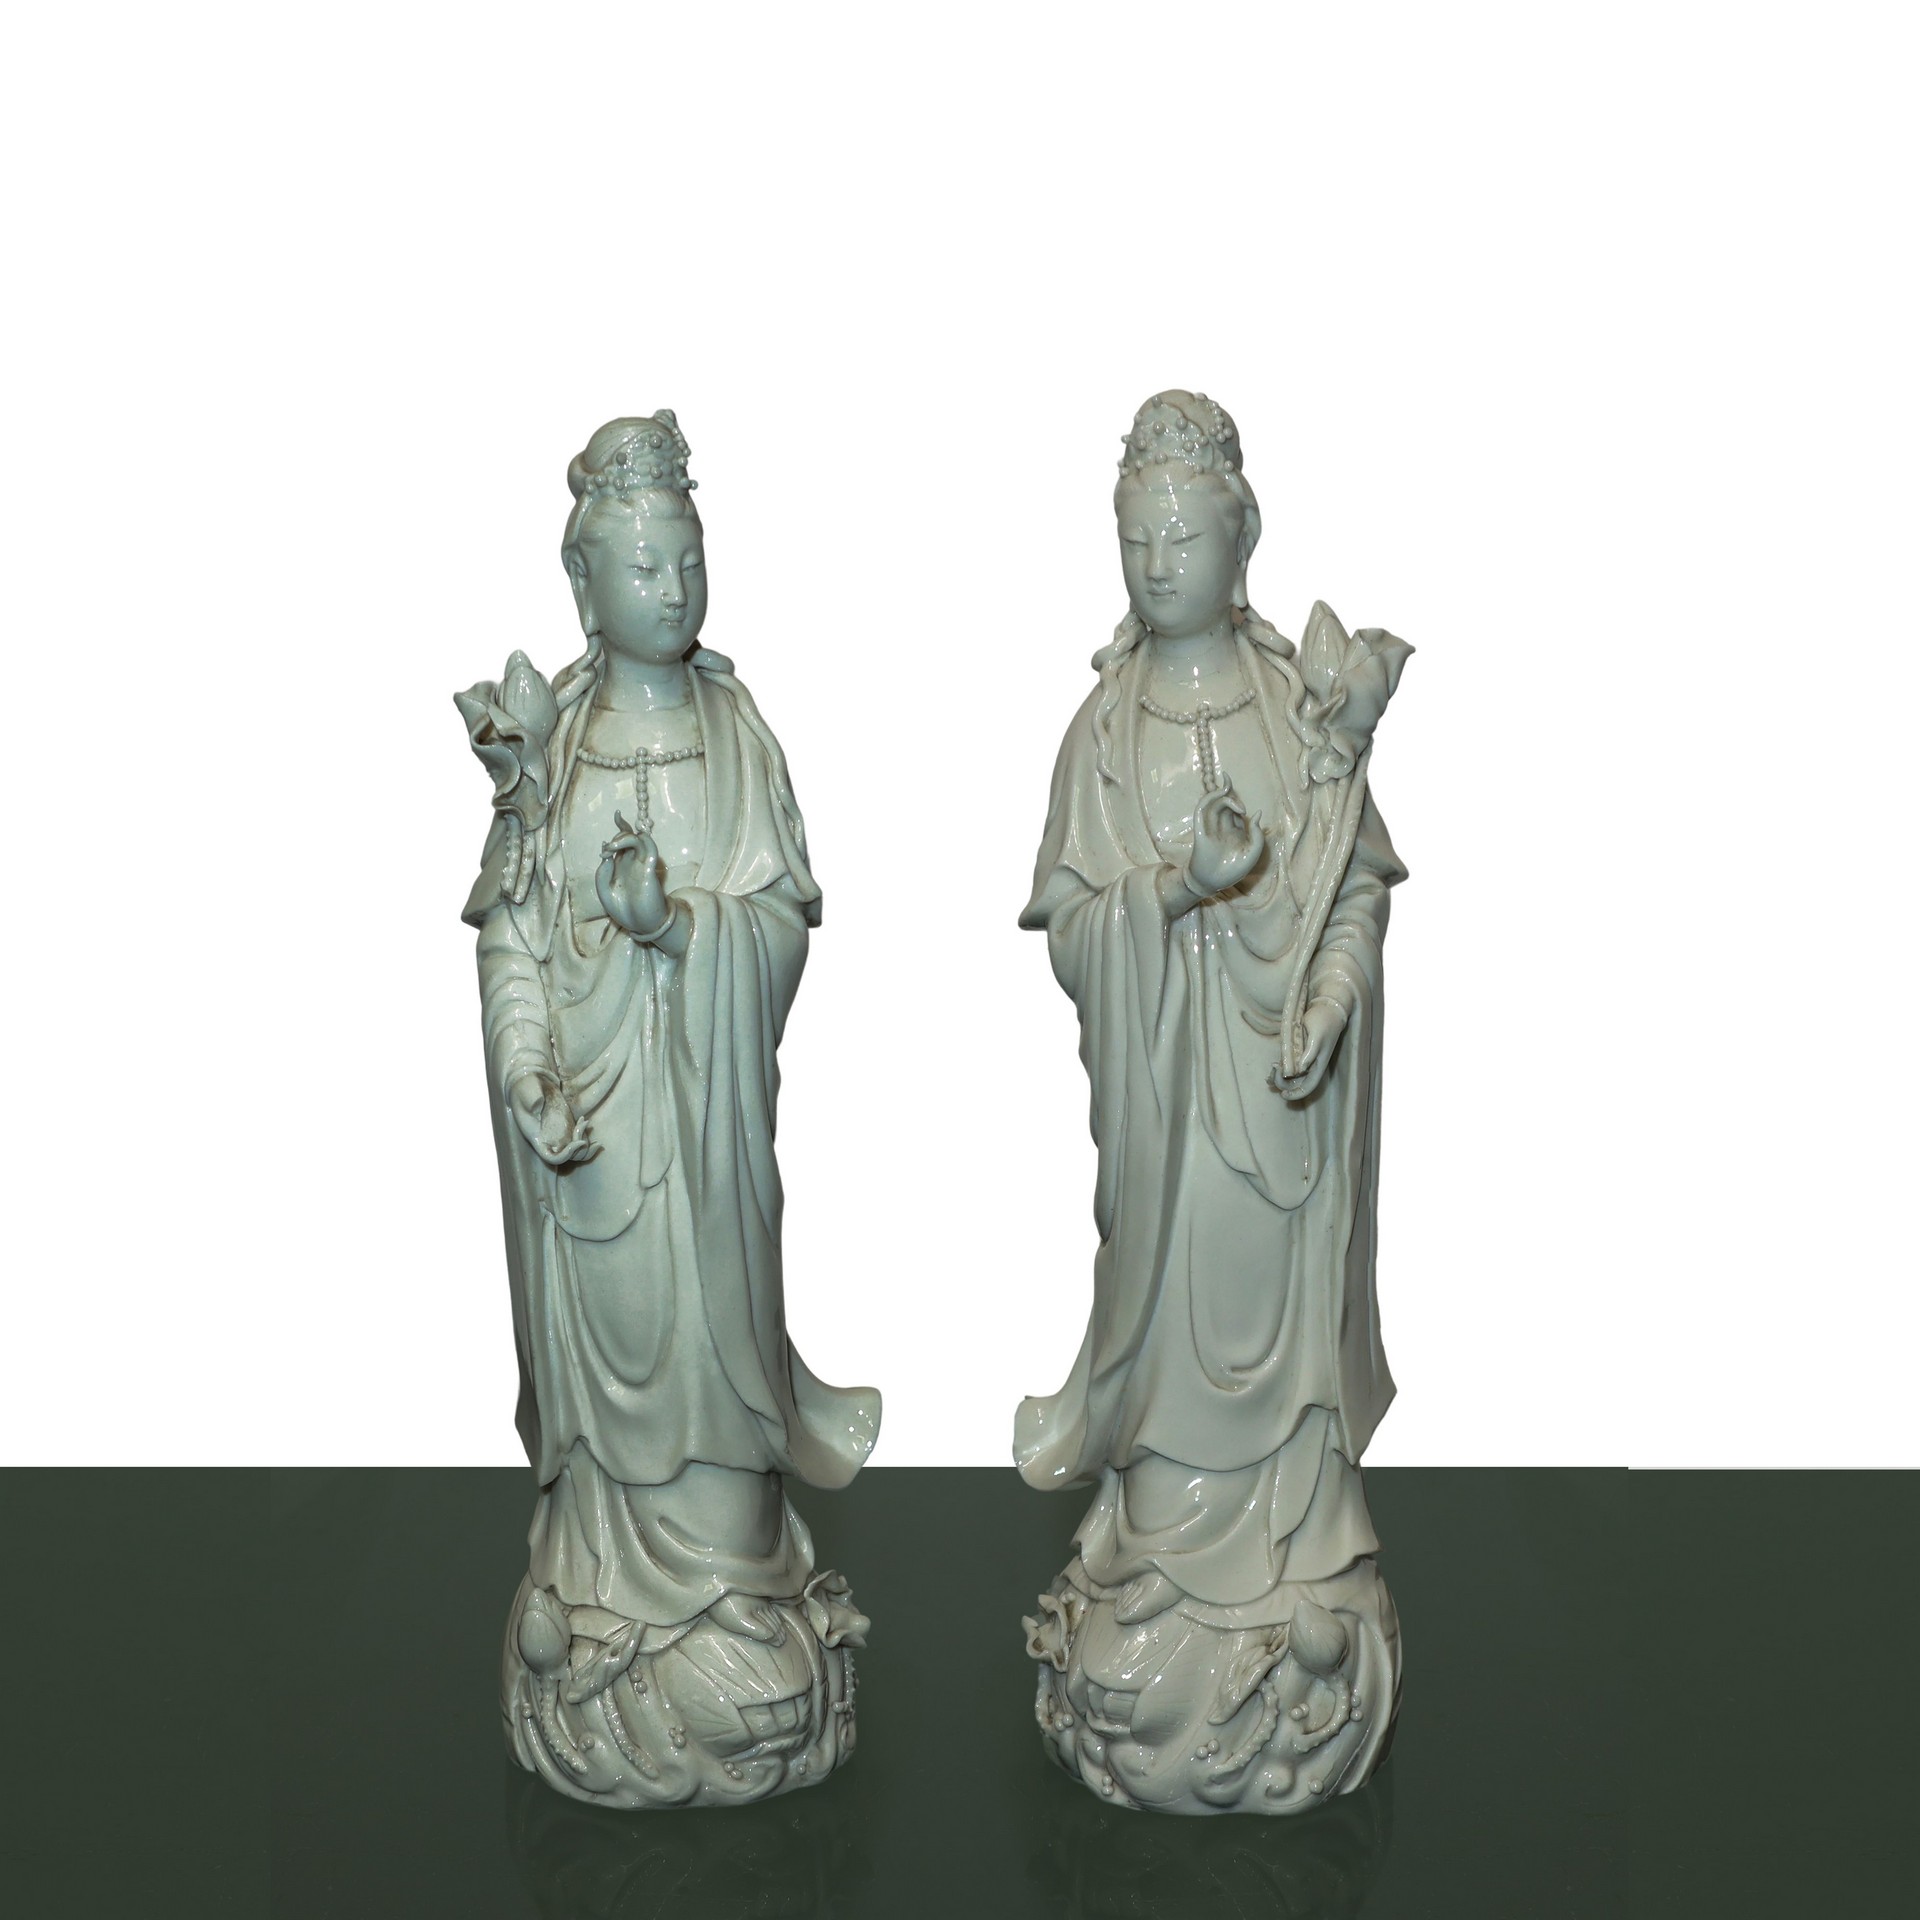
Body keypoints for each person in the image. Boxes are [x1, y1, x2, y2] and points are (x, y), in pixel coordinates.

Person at [458, 413, 876, 1806]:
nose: (674, 588)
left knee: (715, 1365)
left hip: (704, 1148)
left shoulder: (734, 734)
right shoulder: (555, 749)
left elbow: (783, 920)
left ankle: (737, 1588)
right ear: (583, 584)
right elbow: (512, 937)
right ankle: (605, 1615)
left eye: (689, 559)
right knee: (611, 1403)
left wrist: (683, 928)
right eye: (643, 566)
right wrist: (530, 1067)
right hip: (592, 1166)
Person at [1017, 392, 1408, 1812]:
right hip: (1172, 1126)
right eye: (1137, 539)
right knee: (1171, 1335)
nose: (1158, 562)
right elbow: (1073, 926)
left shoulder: (1301, 719)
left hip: (1284, 1138)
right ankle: (1159, 1557)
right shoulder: (1103, 731)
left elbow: (1355, 890)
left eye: (1183, 536)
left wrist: (1328, 997)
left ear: (1243, 539)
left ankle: (1293, 1571)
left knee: (1282, 1365)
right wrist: (1172, 893)